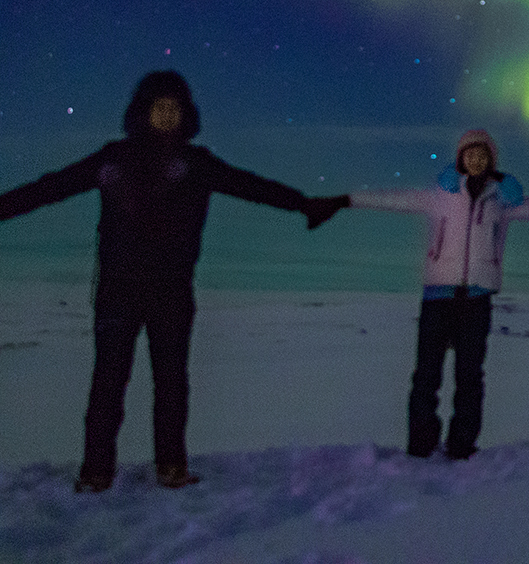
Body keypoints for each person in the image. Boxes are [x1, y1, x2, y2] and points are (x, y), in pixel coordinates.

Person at [0, 71, 338, 492]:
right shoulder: (113, 159)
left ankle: (171, 467)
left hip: (171, 294)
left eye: (172, 107)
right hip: (117, 293)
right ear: (142, 111)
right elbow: (52, 187)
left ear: (185, 114)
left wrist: (305, 204)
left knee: (172, 383)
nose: (165, 114)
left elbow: (251, 187)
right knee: (108, 382)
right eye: (157, 106)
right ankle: (96, 471)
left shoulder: (197, 164)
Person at [311, 129, 529, 460]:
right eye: (470, 154)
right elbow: (391, 198)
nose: (475, 160)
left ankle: (461, 448)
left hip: (477, 298)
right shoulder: (439, 197)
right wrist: (345, 200)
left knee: (470, 377)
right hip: (437, 297)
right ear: (460, 159)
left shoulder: (502, 201)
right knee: (427, 375)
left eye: (482, 155)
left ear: (491, 162)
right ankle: (421, 447)